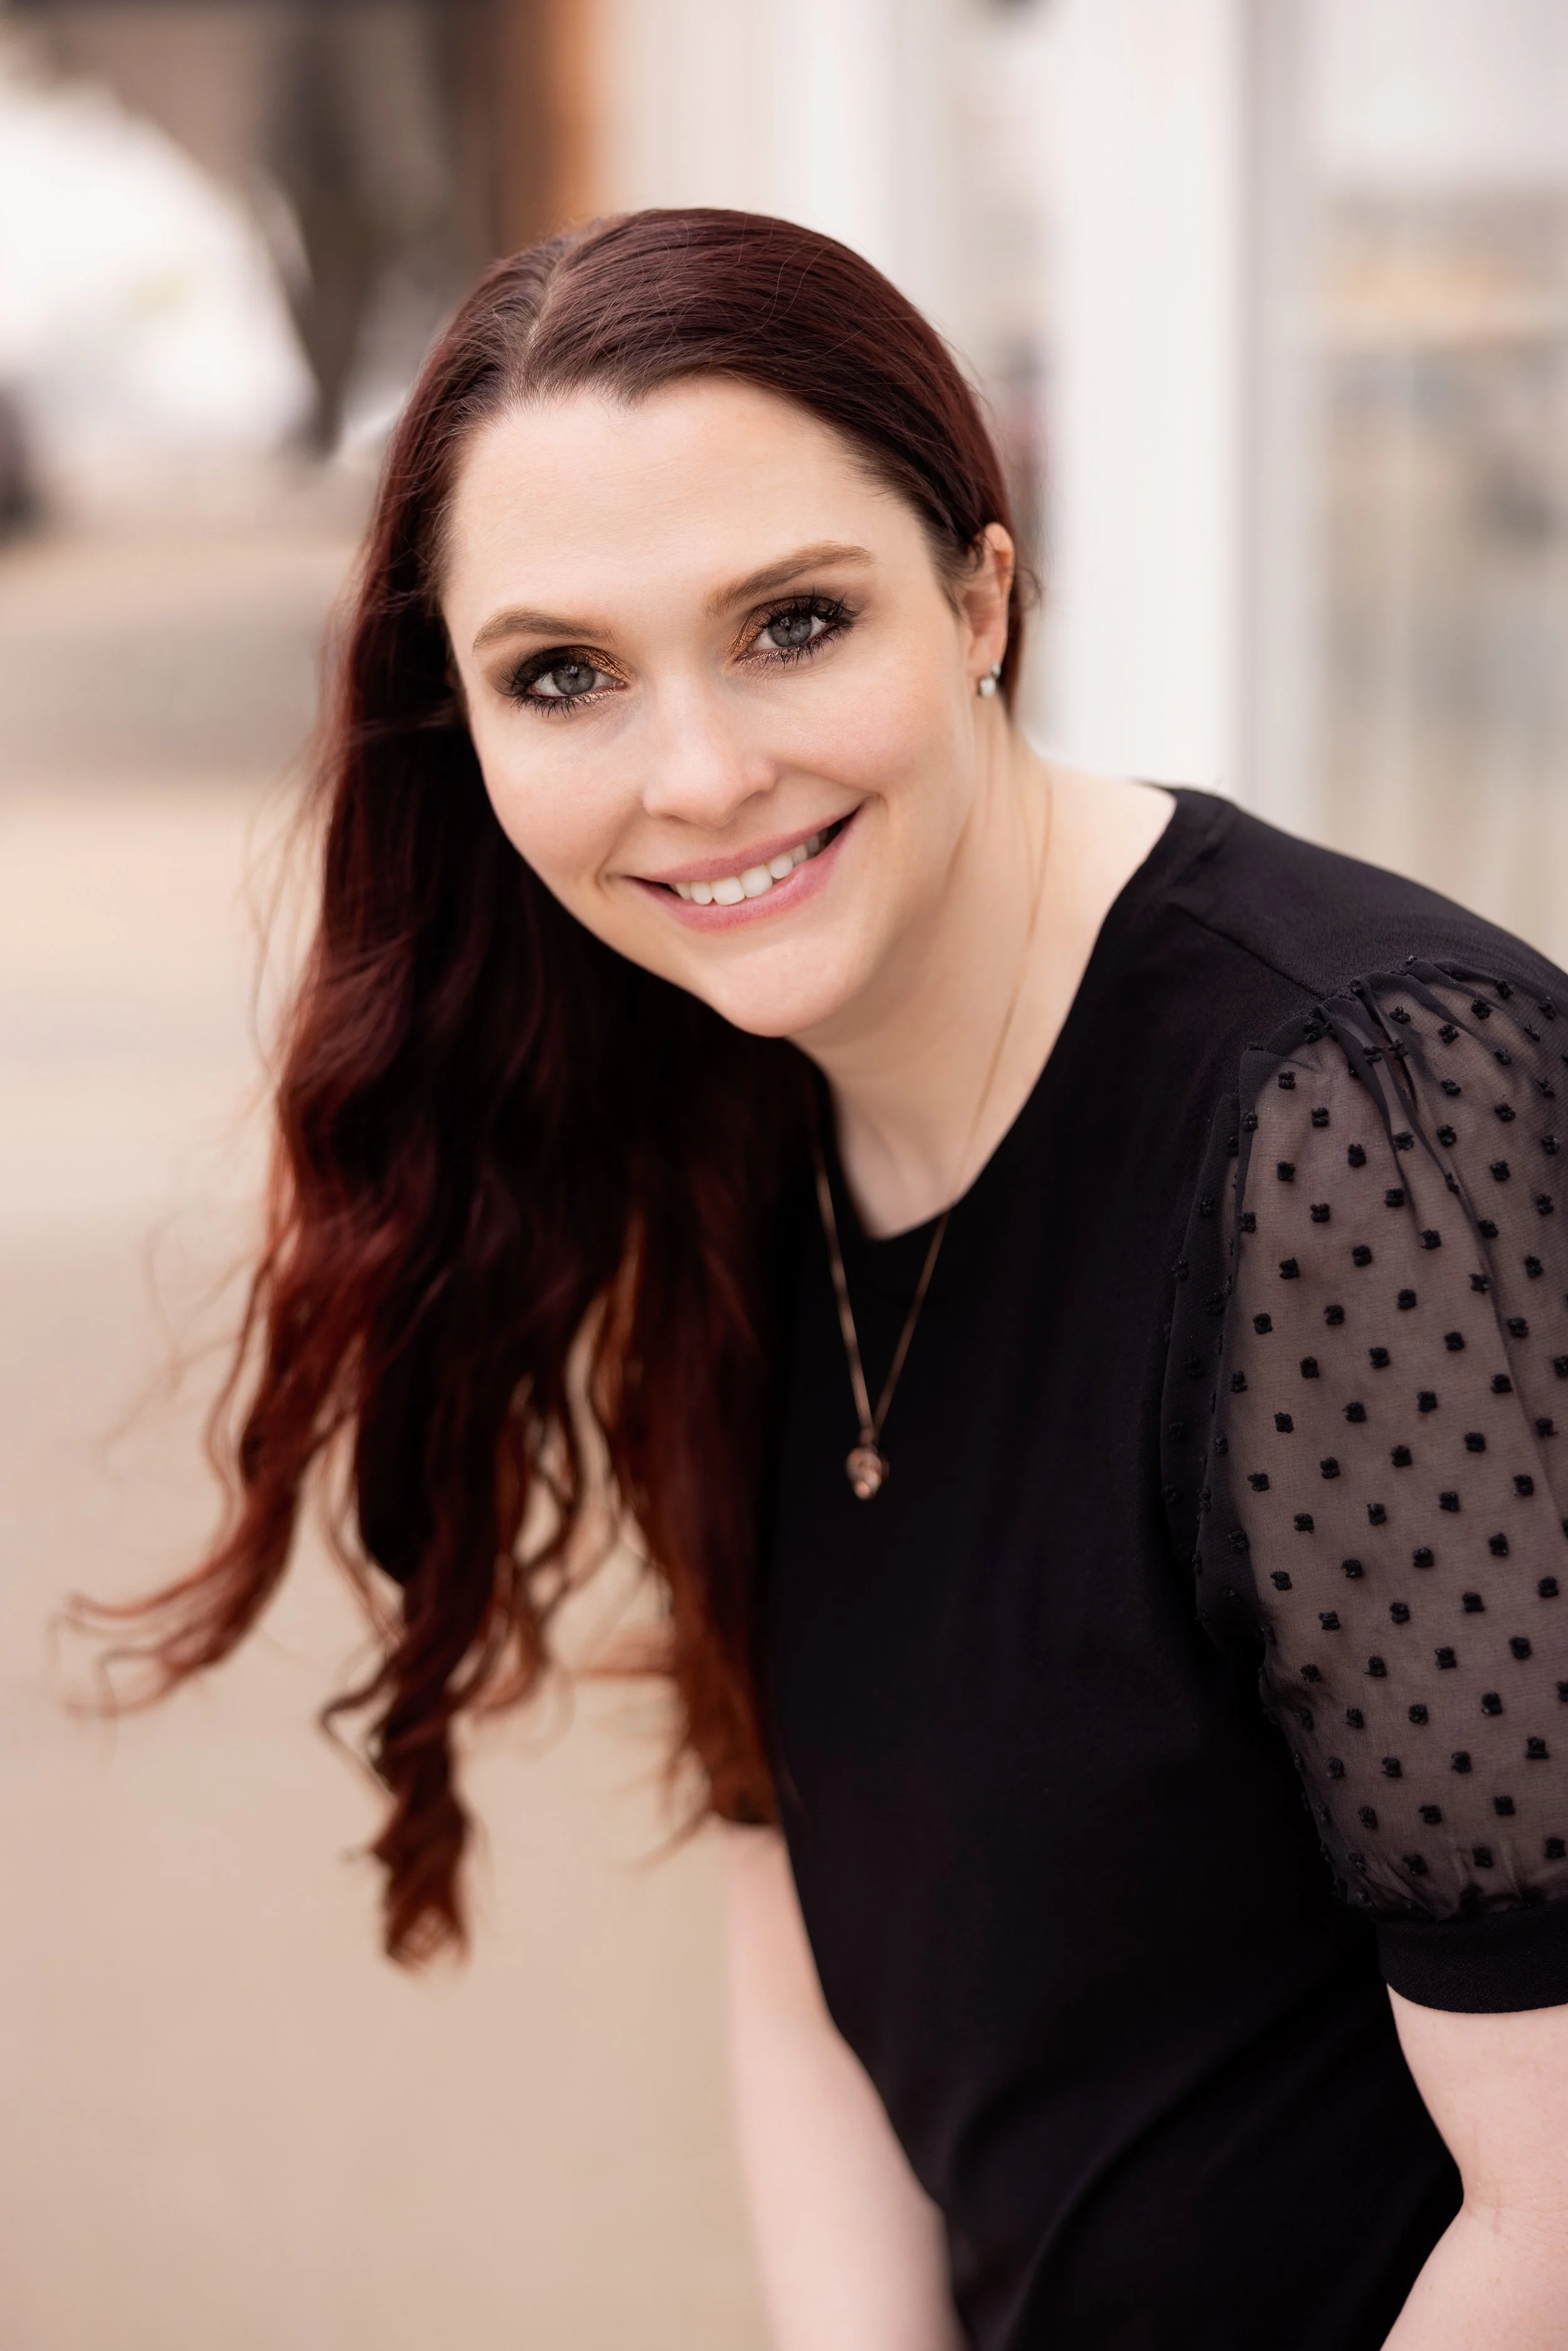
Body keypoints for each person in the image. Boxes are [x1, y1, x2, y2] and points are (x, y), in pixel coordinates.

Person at [127, 210, 1568, 2348]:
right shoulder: (721, 1080)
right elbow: (794, 1912)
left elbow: (1553, 2193)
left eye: (792, 623)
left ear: (981, 595)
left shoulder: (1368, 1134)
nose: (696, 776)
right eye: (563, 674)